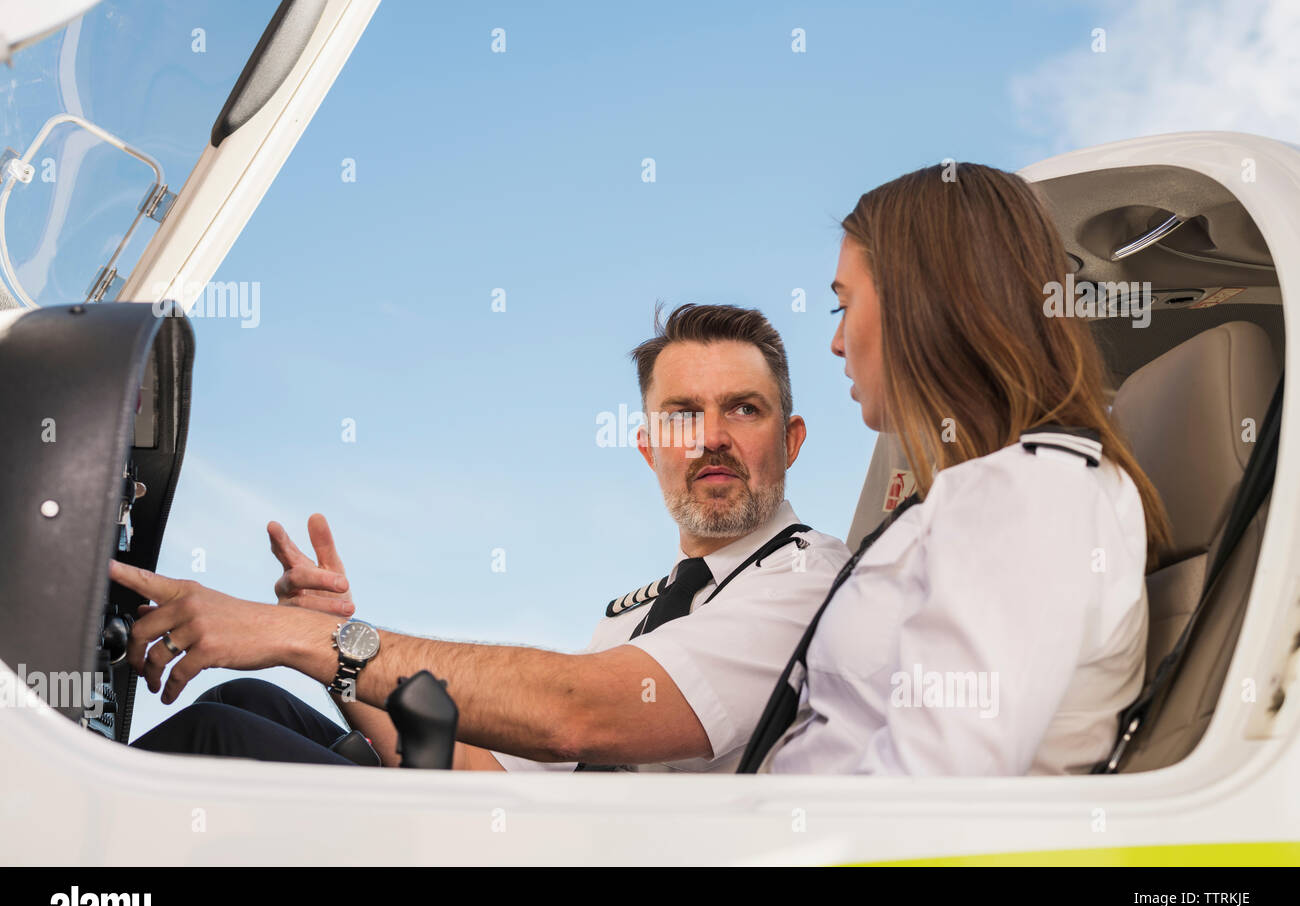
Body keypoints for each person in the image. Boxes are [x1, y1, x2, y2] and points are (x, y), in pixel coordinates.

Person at [120, 304, 850, 772]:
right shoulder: (637, 616)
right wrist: (339, 645)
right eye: (684, 415)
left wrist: (297, 638)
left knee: (219, 741)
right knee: (252, 704)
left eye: (744, 410)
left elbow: (575, 716)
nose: (712, 439)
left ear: (791, 440)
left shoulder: (809, 584)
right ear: (650, 448)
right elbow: (476, 771)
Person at [743, 162, 1174, 775]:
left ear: (920, 302)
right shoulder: (984, 493)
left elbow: (934, 789)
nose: (836, 343)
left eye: (844, 305)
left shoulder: (1029, 493)